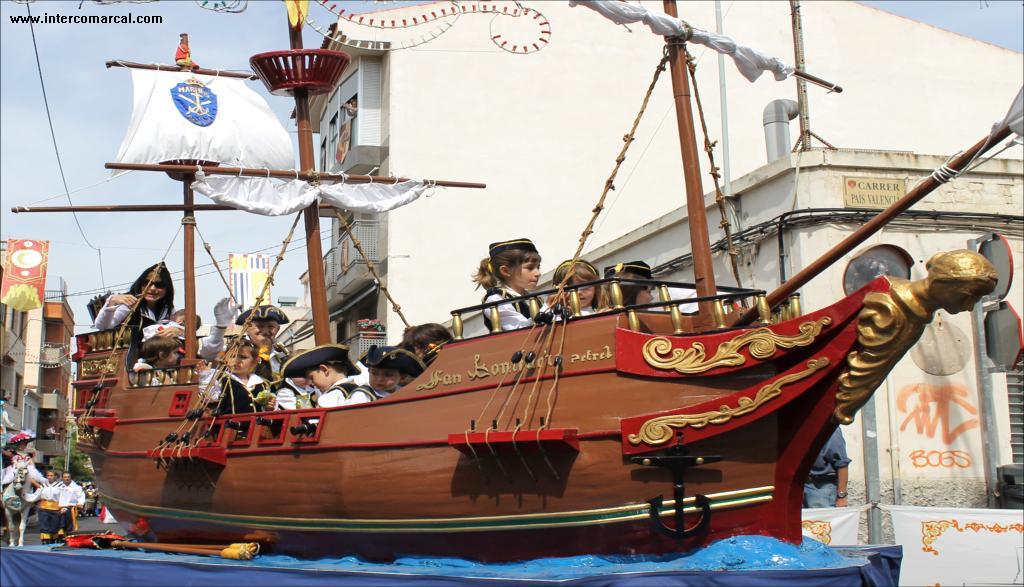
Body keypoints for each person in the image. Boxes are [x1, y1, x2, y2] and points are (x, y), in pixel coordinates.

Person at [473, 238, 542, 331]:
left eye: (538, 267)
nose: (538, 273)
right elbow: (519, 329)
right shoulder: (496, 300)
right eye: (530, 268)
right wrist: (547, 308)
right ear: (506, 271)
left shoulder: (535, 299)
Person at [92, 263, 175, 331]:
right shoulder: (130, 303)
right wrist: (111, 301)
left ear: (167, 289)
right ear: (140, 284)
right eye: (146, 283)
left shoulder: (168, 308)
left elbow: (177, 325)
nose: (152, 288)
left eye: (159, 285)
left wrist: (178, 330)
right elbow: (102, 326)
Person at [198, 339, 270, 414]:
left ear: (254, 361)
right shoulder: (221, 378)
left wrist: (269, 407)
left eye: (243, 357)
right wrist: (206, 376)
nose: (236, 361)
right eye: (232, 356)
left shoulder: (262, 383)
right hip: (230, 421)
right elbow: (209, 398)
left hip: (257, 421)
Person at [281, 344, 363, 408]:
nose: (312, 383)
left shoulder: (329, 398)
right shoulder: (360, 392)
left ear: (324, 370)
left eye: (312, 377)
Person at [804, 427, 851, 508]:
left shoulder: (830, 429)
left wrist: (841, 497)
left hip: (822, 488)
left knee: (821, 516)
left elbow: (842, 464)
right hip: (801, 485)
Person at [355, 345, 426, 396]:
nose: (379, 379)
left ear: (402, 377)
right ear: (369, 371)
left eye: (388, 375)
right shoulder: (362, 396)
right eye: (374, 373)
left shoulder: (405, 394)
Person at [33, 470, 63, 545]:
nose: (49, 477)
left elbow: (64, 497)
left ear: (55, 477)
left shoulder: (61, 486)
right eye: (48, 476)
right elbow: (35, 496)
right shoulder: (43, 486)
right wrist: (24, 495)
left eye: (51, 475)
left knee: (54, 527)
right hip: (43, 508)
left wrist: (64, 507)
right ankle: (45, 541)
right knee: (44, 525)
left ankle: (53, 540)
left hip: (56, 508)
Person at [58, 471, 85, 537]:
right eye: (65, 477)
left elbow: (81, 495)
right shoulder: (58, 486)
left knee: (69, 524)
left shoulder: (76, 487)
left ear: (71, 477)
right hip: (59, 507)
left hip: (70, 507)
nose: (67, 478)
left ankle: (69, 537)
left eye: (68, 477)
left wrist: (80, 503)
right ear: (62, 478)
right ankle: (60, 538)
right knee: (59, 524)